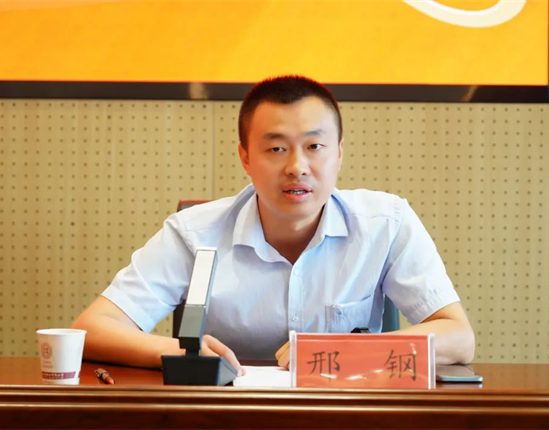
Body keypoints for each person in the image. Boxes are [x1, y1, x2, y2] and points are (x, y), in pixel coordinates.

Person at [72, 75, 475, 373]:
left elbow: (458, 338)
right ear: (246, 157)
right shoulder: (194, 234)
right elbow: (93, 329)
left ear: (338, 154)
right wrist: (178, 352)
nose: (297, 167)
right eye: (277, 148)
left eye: (314, 146)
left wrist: (335, 353)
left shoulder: (386, 224)